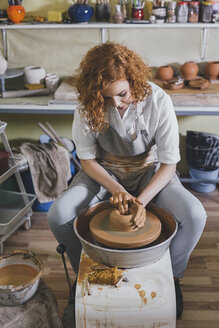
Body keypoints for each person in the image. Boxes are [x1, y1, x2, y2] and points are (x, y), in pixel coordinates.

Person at [47, 42, 206, 319]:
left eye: (121, 94)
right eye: (106, 98)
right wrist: (117, 189)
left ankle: (174, 276)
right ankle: (83, 276)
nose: (116, 104)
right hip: (104, 173)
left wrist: (141, 201)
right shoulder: (87, 103)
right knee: (58, 214)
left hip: (151, 172)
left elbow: (170, 163)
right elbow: (87, 160)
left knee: (195, 215)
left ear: (133, 79)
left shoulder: (158, 99)